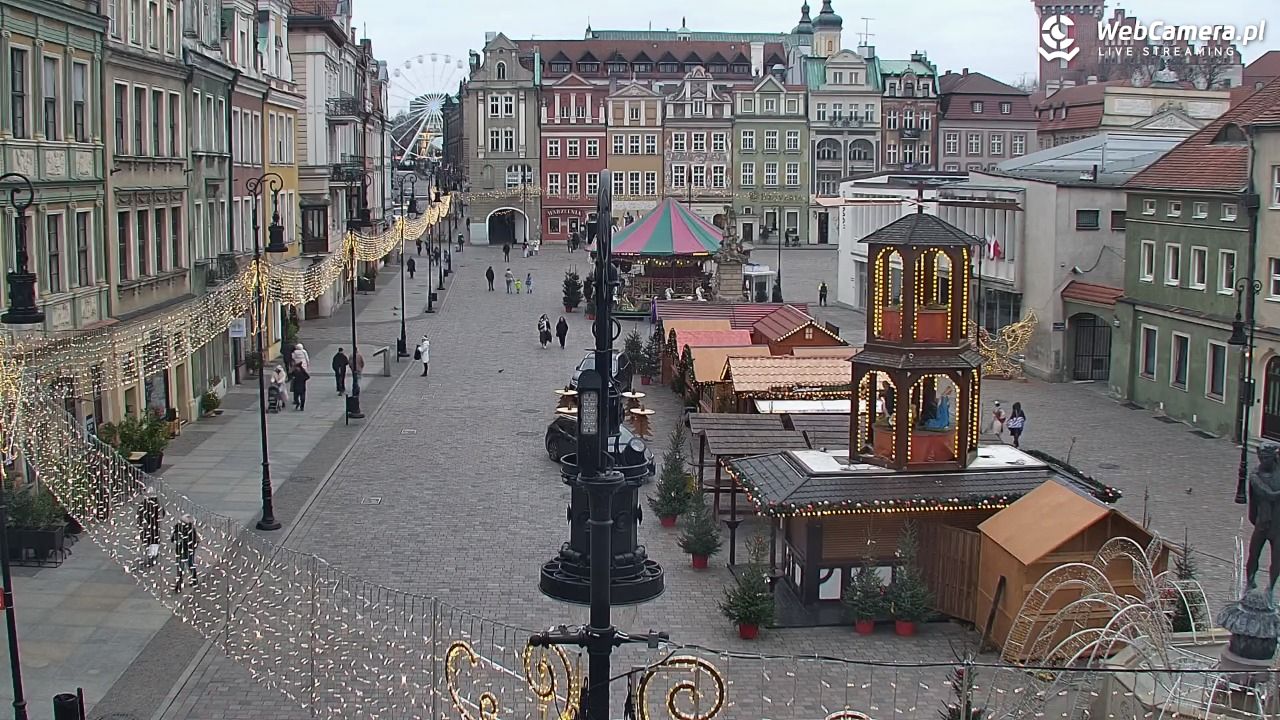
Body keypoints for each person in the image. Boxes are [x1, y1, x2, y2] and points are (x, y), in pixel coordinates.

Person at [171, 513, 199, 593]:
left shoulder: (189, 530)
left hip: (184, 550)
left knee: (185, 566)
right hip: (184, 550)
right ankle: (181, 584)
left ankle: (186, 582)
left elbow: (194, 541)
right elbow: (173, 538)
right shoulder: (182, 528)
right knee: (185, 566)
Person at [137, 488, 164, 568]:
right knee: (154, 542)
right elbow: (163, 513)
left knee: (148, 542)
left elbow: (139, 514)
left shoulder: (144, 504)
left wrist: (140, 523)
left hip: (146, 527)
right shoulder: (158, 504)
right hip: (155, 526)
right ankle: (153, 556)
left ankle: (151, 558)